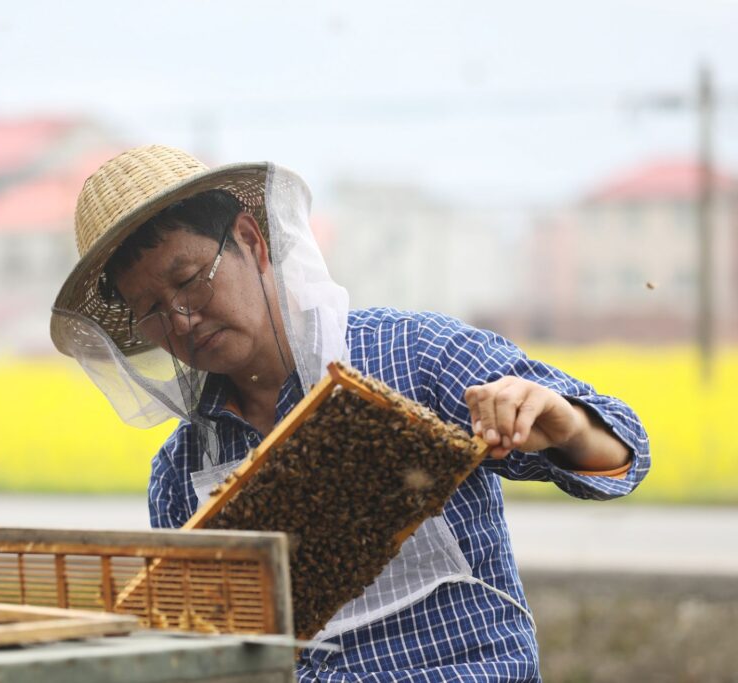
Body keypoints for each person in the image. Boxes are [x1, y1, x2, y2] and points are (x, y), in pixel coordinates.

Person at [50, 145, 650, 681]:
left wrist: (565, 425)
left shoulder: (416, 356)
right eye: (152, 309)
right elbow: (214, 654)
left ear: (252, 241)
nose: (181, 319)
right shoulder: (181, 474)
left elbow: (624, 455)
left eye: (189, 280)